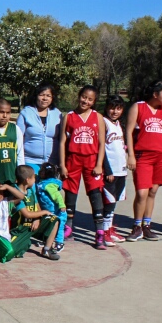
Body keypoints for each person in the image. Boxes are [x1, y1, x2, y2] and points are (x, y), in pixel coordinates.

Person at [125, 80, 162, 242]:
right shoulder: (138, 107)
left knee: (152, 192)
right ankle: (137, 226)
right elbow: (129, 131)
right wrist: (131, 155)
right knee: (142, 193)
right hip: (143, 156)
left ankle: (147, 225)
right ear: (155, 94)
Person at [0, 170, 60, 263]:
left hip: (3, 237)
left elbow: (21, 197)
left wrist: (6, 187)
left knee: (9, 253)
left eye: (0, 193)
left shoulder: (5, 203)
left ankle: (46, 249)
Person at [58, 85, 107, 249]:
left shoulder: (97, 117)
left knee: (95, 193)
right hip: (73, 158)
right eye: (84, 97)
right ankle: (69, 227)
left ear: (94, 102)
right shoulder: (69, 116)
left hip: (91, 160)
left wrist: (99, 163)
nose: (85, 101)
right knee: (70, 192)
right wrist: (62, 164)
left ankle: (100, 232)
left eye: (90, 99)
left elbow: (101, 143)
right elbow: (62, 142)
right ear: (79, 96)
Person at [101, 95, 128, 245]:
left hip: (121, 170)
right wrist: (108, 170)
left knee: (115, 201)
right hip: (110, 171)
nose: (115, 111)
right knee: (108, 201)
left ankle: (110, 228)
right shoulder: (104, 123)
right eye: (112, 108)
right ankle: (104, 231)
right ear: (106, 108)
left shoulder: (119, 124)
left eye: (118, 108)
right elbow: (102, 149)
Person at [17, 83, 62, 165]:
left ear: (52, 98)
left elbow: (61, 138)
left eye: (48, 95)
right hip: (29, 161)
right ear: (36, 96)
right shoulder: (26, 113)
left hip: (52, 162)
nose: (45, 98)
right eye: (42, 95)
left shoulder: (57, 114)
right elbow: (18, 138)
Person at [35, 163, 68, 252]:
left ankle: (59, 243)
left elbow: (57, 196)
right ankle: (47, 241)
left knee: (59, 227)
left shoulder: (49, 185)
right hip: (49, 210)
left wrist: (61, 205)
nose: (39, 172)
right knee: (48, 226)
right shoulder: (42, 181)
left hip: (58, 211)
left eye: (41, 171)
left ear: (46, 174)